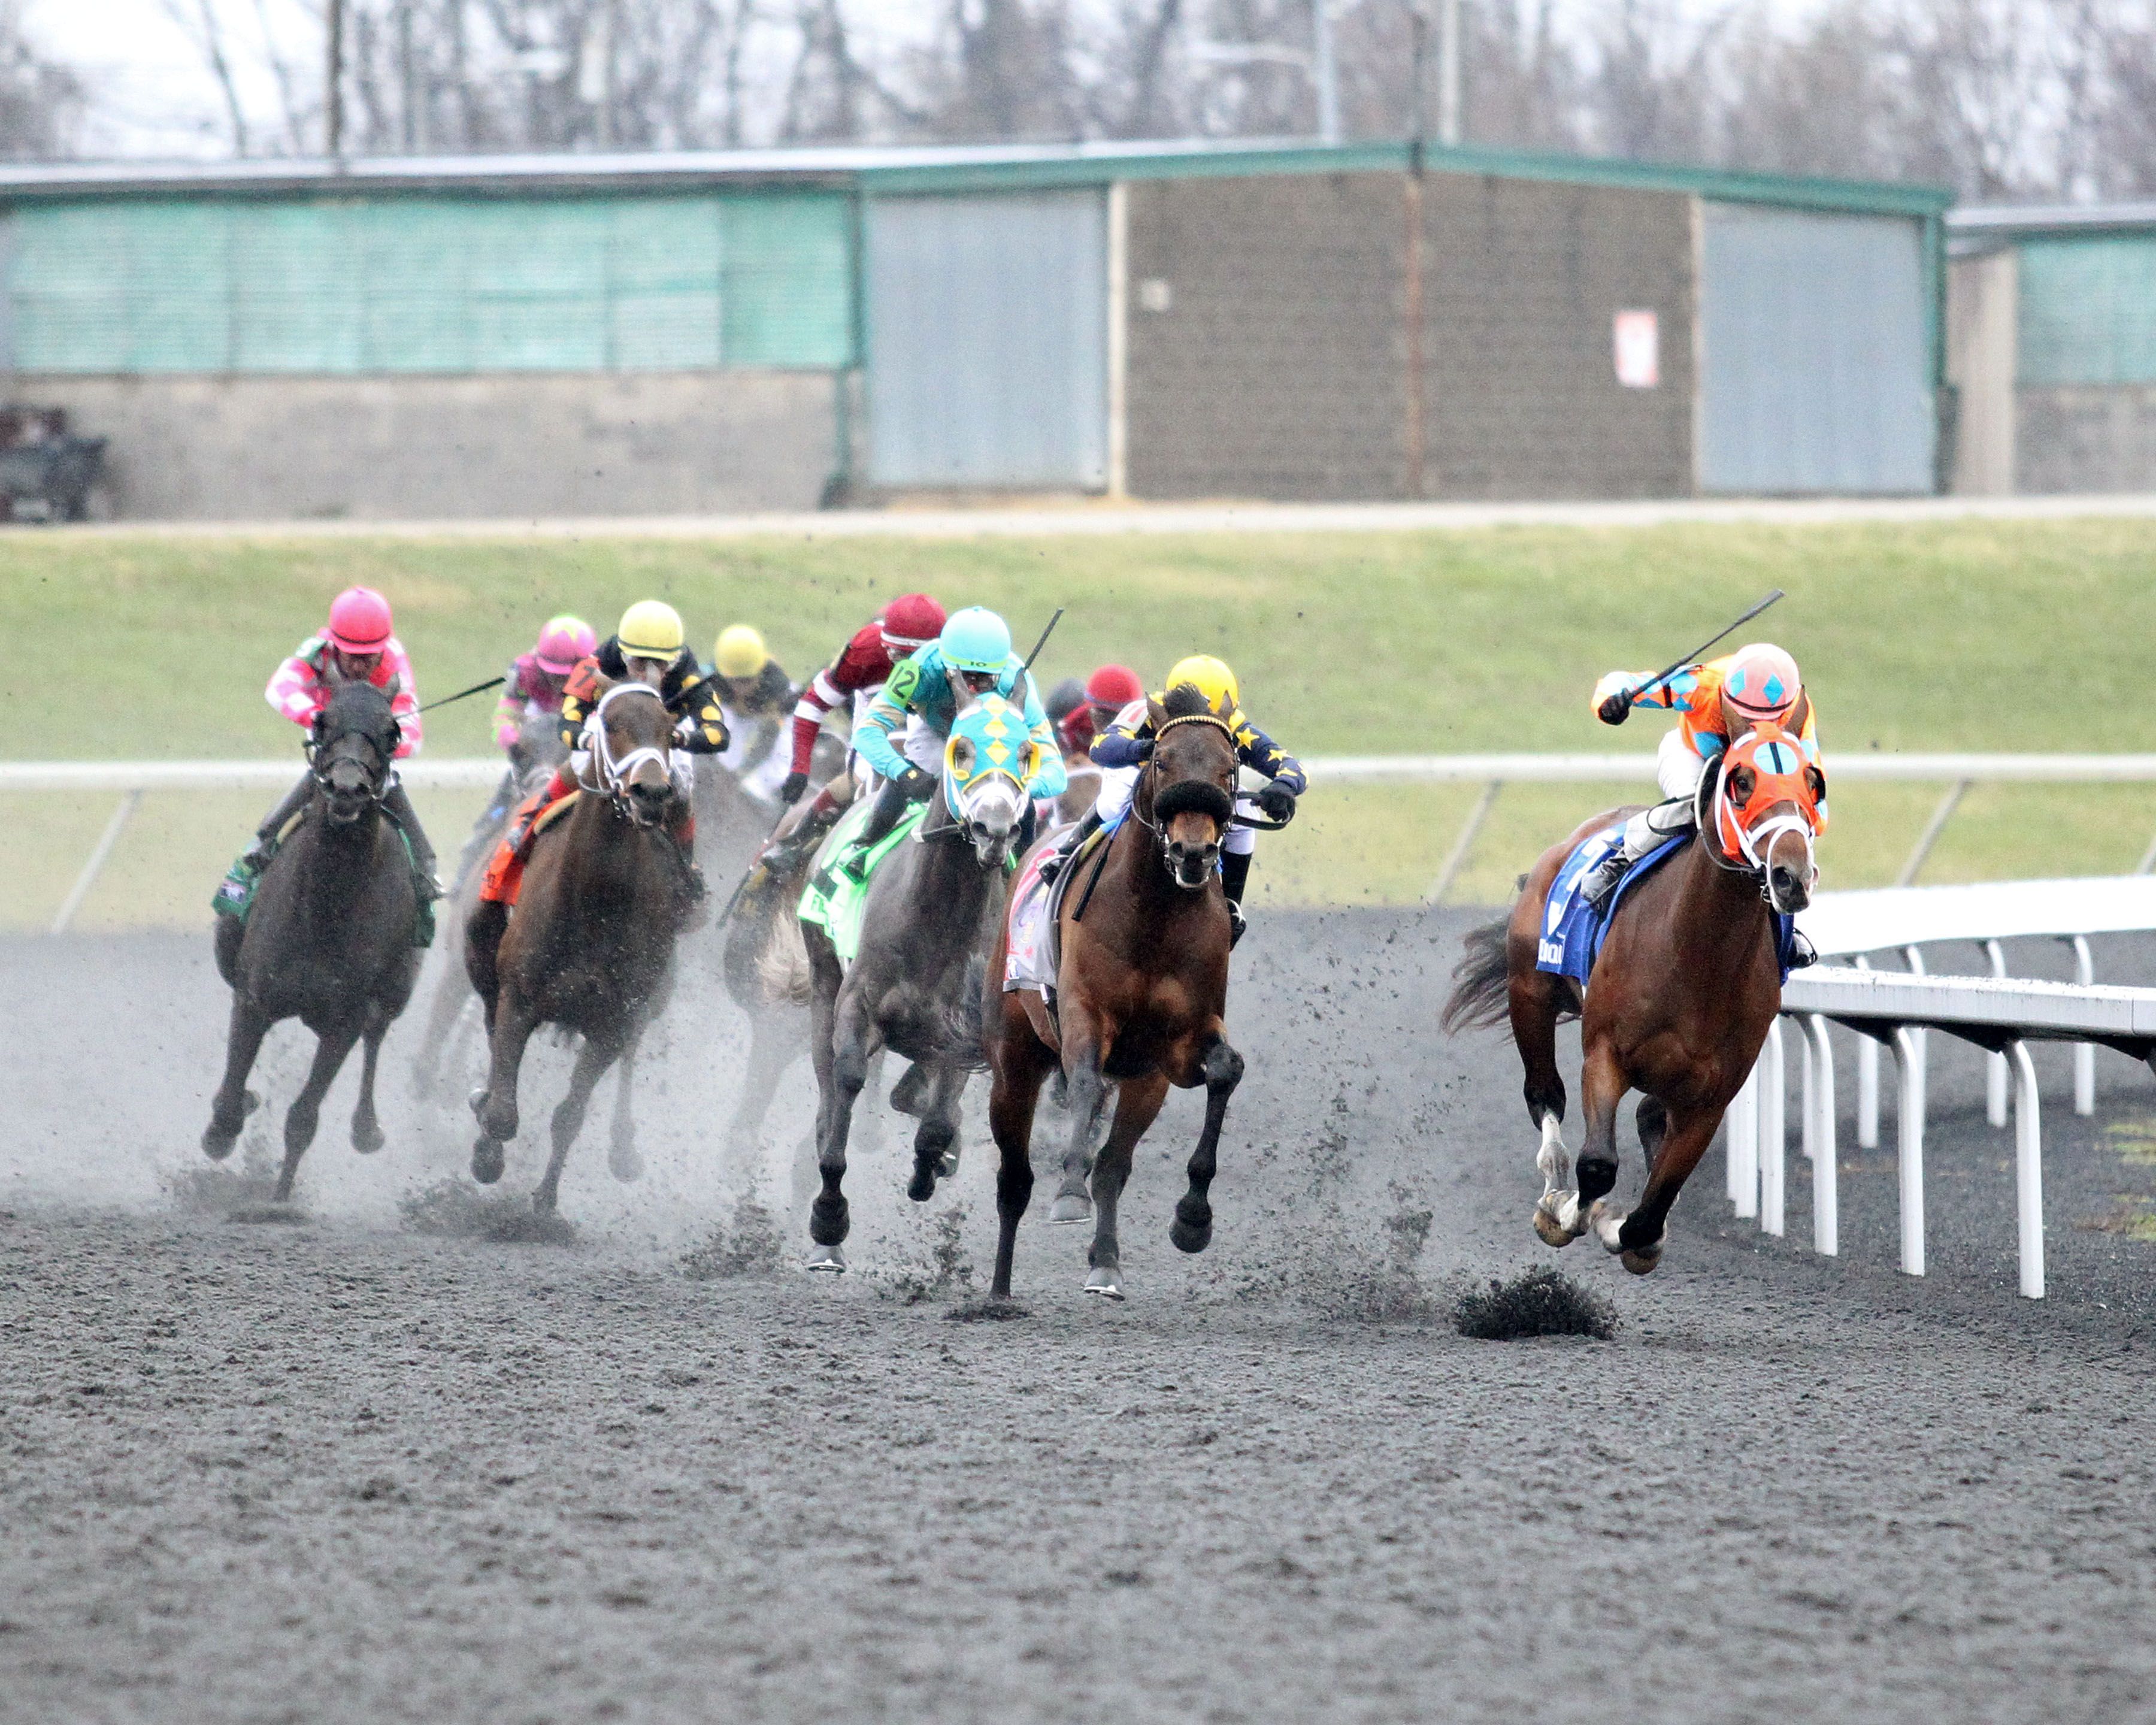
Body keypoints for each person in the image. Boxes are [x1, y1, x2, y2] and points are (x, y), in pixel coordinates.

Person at [477, 600, 729, 915]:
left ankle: (685, 869)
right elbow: (568, 720)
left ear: (675, 660)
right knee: (577, 766)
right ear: (623, 654)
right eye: (639, 663)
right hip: (617, 730)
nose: (649, 673)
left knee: (681, 786)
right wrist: (584, 738)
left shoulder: (689, 674)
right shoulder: (602, 660)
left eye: (660, 665)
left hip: (664, 737)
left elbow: (719, 734)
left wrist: (680, 738)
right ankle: (518, 842)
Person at [1037, 654, 1303, 948]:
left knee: (1243, 809)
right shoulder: (1144, 713)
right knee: (1116, 797)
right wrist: (1145, 749)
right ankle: (1068, 852)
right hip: (1150, 774)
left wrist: (1283, 786)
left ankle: (1231, 904)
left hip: (1204, 785)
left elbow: (1291, 766)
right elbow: (1101, 748)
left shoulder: (1237, 725)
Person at [1579, 640, 1825, 906]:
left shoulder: (1798, 708)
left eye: (1768, 723)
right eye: (1745, 719)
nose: (1754, 728)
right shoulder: (1700, 686)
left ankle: (1788, 934)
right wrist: (1609, 703)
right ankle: (1620, 862)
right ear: (1726, 698)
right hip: (1694, 754)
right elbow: (1623, 682)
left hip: (1755, 772)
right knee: (1692, 806)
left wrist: (1807, 821)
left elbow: (1808, 775)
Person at [236, 585, 437, 898]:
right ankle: (260, 846)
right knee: (318, 778)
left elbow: (412, 729)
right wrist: (316, 717)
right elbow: (279, 688)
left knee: (388, 786)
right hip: (328, 749)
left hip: (371, 758)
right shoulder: (317, 651)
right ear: (334, 644)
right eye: (351, 656)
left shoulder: (394, 659)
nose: (359, 666)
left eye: (368, 658)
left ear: (383, 649)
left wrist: (380, 742)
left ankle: (426, 868)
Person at [838, 606, 1068, 879]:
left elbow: (1057, 773)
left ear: (999, 671)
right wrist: (903, 772)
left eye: (983, 679)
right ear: (945, 665)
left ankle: (1025, 871)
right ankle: (864, 844)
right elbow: (867, 732)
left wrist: (1022, 788)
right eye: (962, 676)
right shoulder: (917, 670)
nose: (972, 687)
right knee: (925, 764)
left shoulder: (1016, 680)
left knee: (1012, 787)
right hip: (935, 731)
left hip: (994, 738)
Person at [759, 592, 947, 871]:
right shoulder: (867, 650)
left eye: (923, 657)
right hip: (877, 720)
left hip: (933, 726)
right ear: (886, 645)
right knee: (857, 780)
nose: (912, 667)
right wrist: (800, 767)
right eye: (901, 656)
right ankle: (793, 844)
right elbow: (812, 706)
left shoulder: (958, 658)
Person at [454, 614, 596, 888]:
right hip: (533, 760)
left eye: (566, 677)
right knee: (490, 822)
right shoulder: (523, 672)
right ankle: (462, 881)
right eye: (552, 676)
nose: (559, 685)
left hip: (577, 760)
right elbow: (504, 715)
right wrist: (513, 741)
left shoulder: (600, 680)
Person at [707, 624, 797, 802]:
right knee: (724, 758)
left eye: (746, 680)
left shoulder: (776, 686)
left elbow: (774, 729)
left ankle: (762, 788)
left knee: (784, 760)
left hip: (767, 714)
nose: (739, 687)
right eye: (733, 681)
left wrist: (745, 770)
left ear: (759, 672)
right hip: (739, 714)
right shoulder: (712, 678)